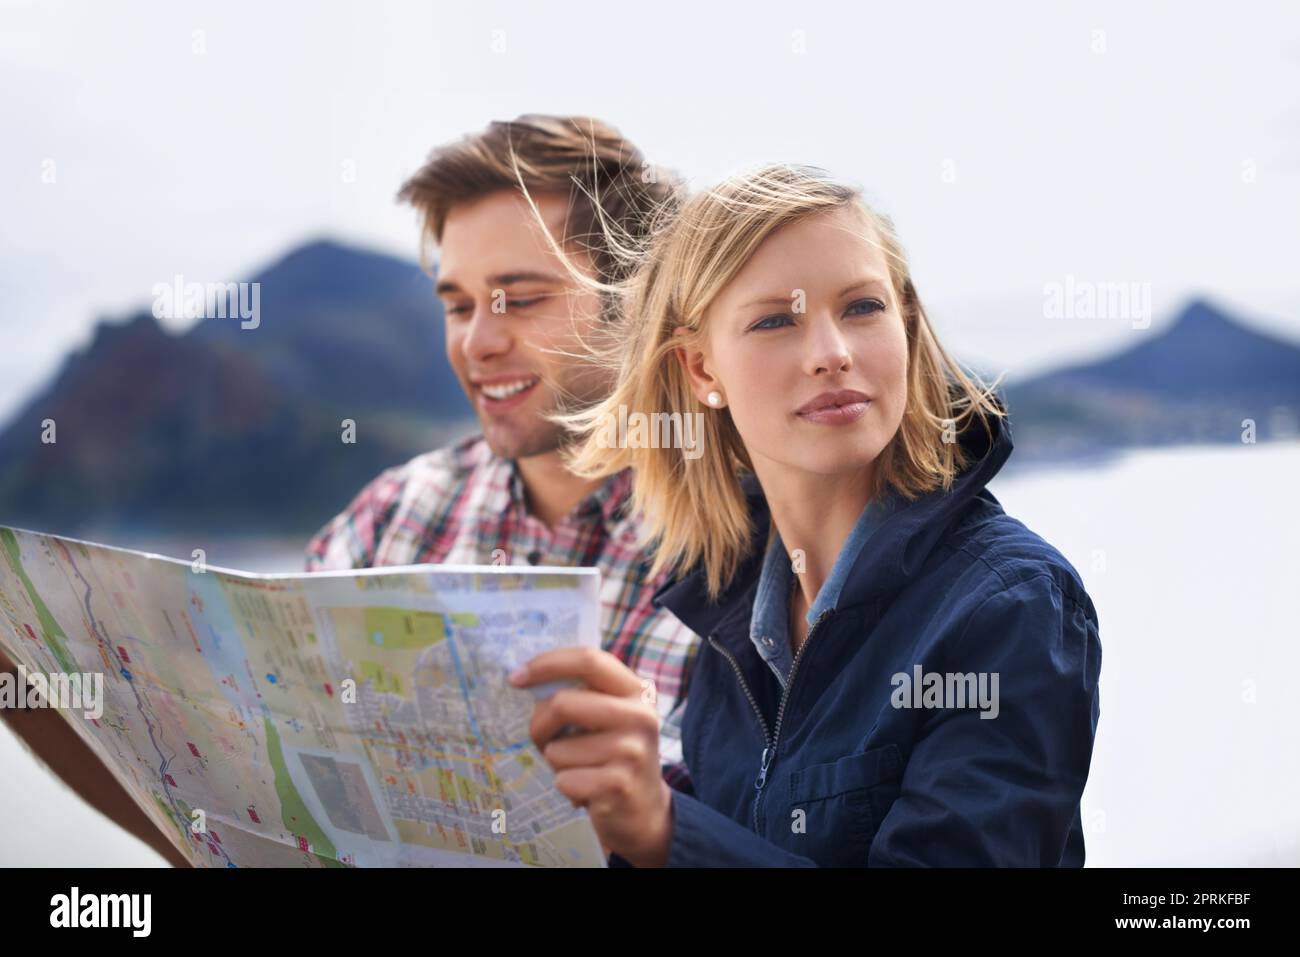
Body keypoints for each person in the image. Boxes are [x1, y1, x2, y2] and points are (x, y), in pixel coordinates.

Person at [508, 163, 1102, 866]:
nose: (832, 354)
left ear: (906, 325)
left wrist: (666, 829)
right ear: (701, 369)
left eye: (862, 307)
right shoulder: (724, 614)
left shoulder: (1011, 607)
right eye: (775, 320)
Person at [307, 115, 699, 779]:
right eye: (459, 306)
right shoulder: (394, 514)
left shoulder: (751, 545)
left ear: (639, 300)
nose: (476, 342)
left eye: (517, 299)